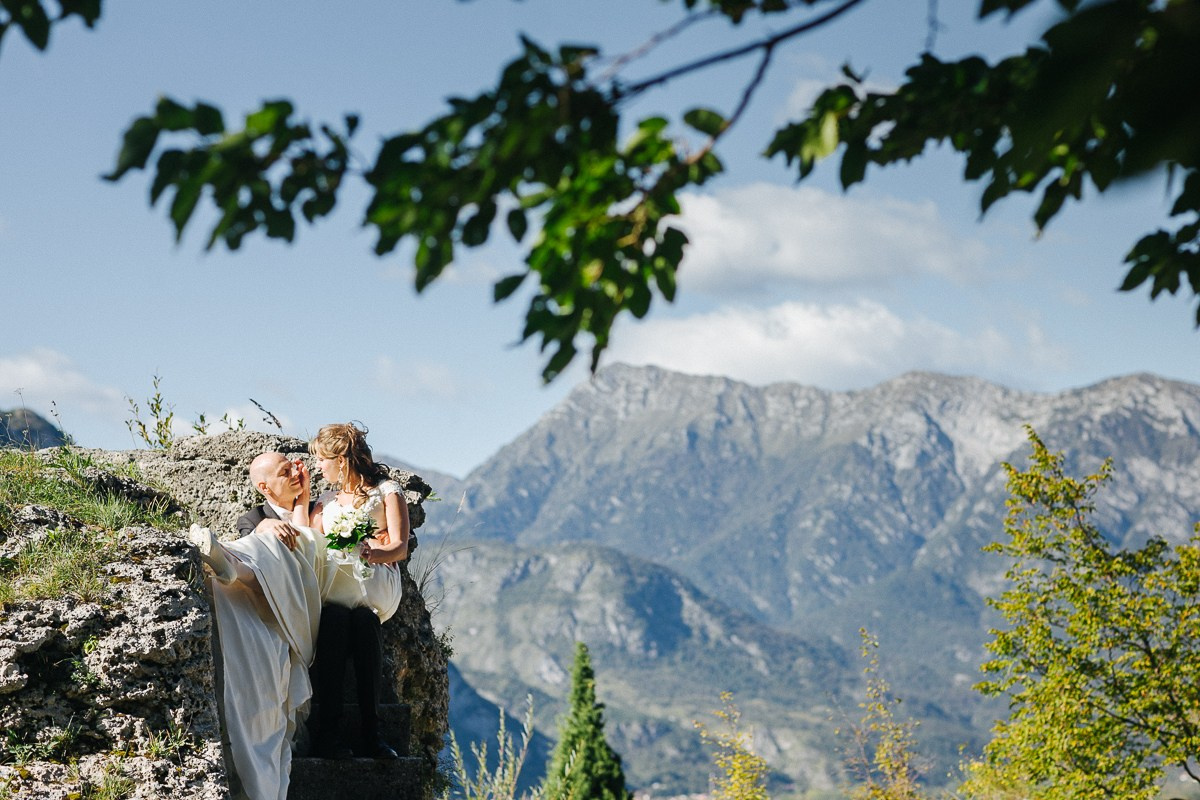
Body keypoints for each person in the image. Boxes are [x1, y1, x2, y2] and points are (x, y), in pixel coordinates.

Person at [308, 422, 410, 760]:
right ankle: (329, 732)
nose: (318, 467)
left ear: (341, 459)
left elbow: (399, 546)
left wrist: (374, 552)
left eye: (322, 459)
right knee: (335, 620)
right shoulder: (324, 500)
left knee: (365, 624)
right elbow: (311, 544)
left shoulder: (386, 491)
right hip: (335, 586)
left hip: (372, 583)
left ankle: (372, 732)